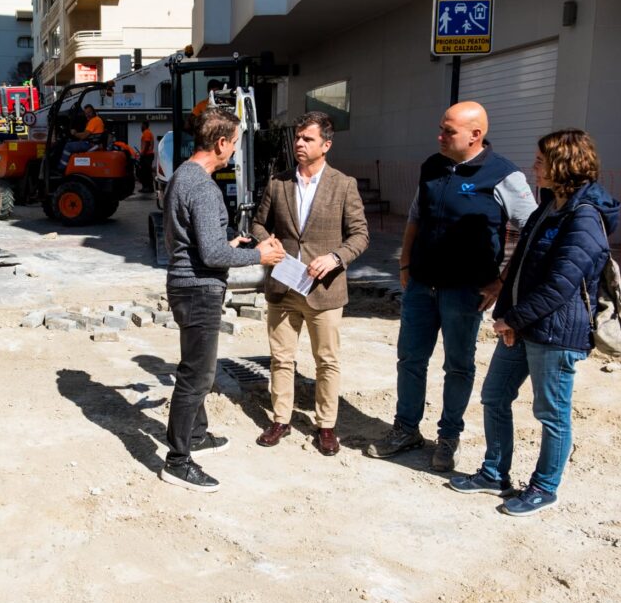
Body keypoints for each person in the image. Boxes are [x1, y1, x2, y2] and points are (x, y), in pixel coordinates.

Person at [450, 129, 620, 516]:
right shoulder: (549, 206)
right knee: (495, 396)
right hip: (523, 324)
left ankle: (545, 486)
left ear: (565, 164)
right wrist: (507, 312)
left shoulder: (584, 216)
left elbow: (560, 285)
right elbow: (523, 263)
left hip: (556, 333)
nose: (534, 167)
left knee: (551, 413)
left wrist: (511, 319)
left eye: (541, 161)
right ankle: (495, 473)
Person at [366, 101, 537, 470]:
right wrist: (405, 261)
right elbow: (416, 216)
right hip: (421, 285)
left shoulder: (504, 175)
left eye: (448, 131)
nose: (439, 136)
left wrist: (501, 282)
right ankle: (406, 428)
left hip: (465, 292)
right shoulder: (433, 165)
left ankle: (448, 437)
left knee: (458, 366)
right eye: (441, 129)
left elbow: (532, 231)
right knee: (411, 359)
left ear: (475, 135)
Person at [162, 107, 286, 492]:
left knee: (195, 365)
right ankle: (178, 461)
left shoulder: (181, 175)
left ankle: (196, 434)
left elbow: (201, 242)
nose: (234, 150)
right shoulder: (203, 186)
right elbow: (213, 255)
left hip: (186, 284)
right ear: (219, 143)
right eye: (234, 143)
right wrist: (258, 255)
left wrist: (231, 243)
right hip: (198, 288)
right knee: (197, 375)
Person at [250, 112, 369, 456]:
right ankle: (281, 419)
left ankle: (326, 425)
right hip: (284, 286)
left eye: (308, 139)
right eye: (298, 137)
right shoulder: (278, 183)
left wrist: (336, 257)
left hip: (324, 290)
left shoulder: (343, 185)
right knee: (281, 358)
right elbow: (258, 224)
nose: (299, 143)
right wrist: (267, 241)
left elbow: (360, 235)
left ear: (326, 145)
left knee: (326, 360)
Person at [57, 104, 104, 172]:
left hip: (90, 144)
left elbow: (83, 136)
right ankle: (69, 165)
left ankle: (62, 168)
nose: (87, 115)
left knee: (68, 146)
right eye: (86, 113)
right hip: (91, 143)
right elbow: (85, 135)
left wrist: (75, 133)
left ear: (93, 112)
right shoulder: (95, 120)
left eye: (89, 112)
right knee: (72, 143)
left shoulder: (94, 120)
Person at [138, 120, 155, 193]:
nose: (141, 127)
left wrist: (143, 153)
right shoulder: (148, 132)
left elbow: (147, 143)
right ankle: (147, 187)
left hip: (147, 155)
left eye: (141, 125)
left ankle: (148, 188)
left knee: (146, 172)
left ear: (144, 125)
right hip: (147, 155)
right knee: (146, 172)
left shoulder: (146, 132)